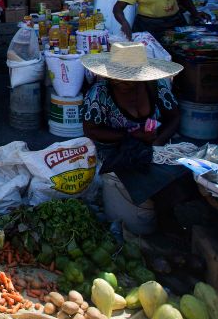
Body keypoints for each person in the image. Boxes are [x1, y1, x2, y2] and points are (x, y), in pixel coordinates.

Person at [81, 42, 196, 232]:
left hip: (156, 144)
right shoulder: (99, 94)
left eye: (130, 80)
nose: (125, 84)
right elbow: (91, 130)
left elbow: (174, 117)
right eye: (119, 80)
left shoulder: (156, 86)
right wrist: (130, 134)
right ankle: (150, 217)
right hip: (114, 148)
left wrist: (157, 142)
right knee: (139, 173)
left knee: (183, 170)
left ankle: (167, 212)